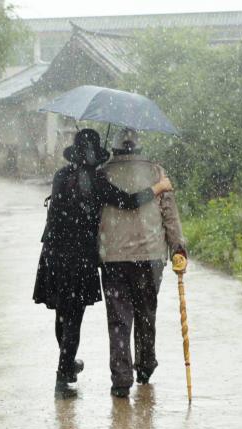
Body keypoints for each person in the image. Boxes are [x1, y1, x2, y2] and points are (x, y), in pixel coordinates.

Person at [33, 129, 174, 397]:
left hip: (53, 254)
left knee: (63, 314)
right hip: (79, 258)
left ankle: (67, 364)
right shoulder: (97, 181)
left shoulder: (61, 176)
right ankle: (64, 374)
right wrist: (158, 187)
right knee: (74, 316)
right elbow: (130, 201)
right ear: (95, 156)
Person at [98, 128, 187, 398]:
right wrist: (178, 248)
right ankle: (145, 367)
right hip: (149, 258)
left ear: (114, 148)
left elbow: (93, 219)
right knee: (146, 314)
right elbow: (169, 215)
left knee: (118, 320)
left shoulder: (102, 174)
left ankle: (121, 379)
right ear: (139, 148)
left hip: (113, 258)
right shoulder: (157, 173)